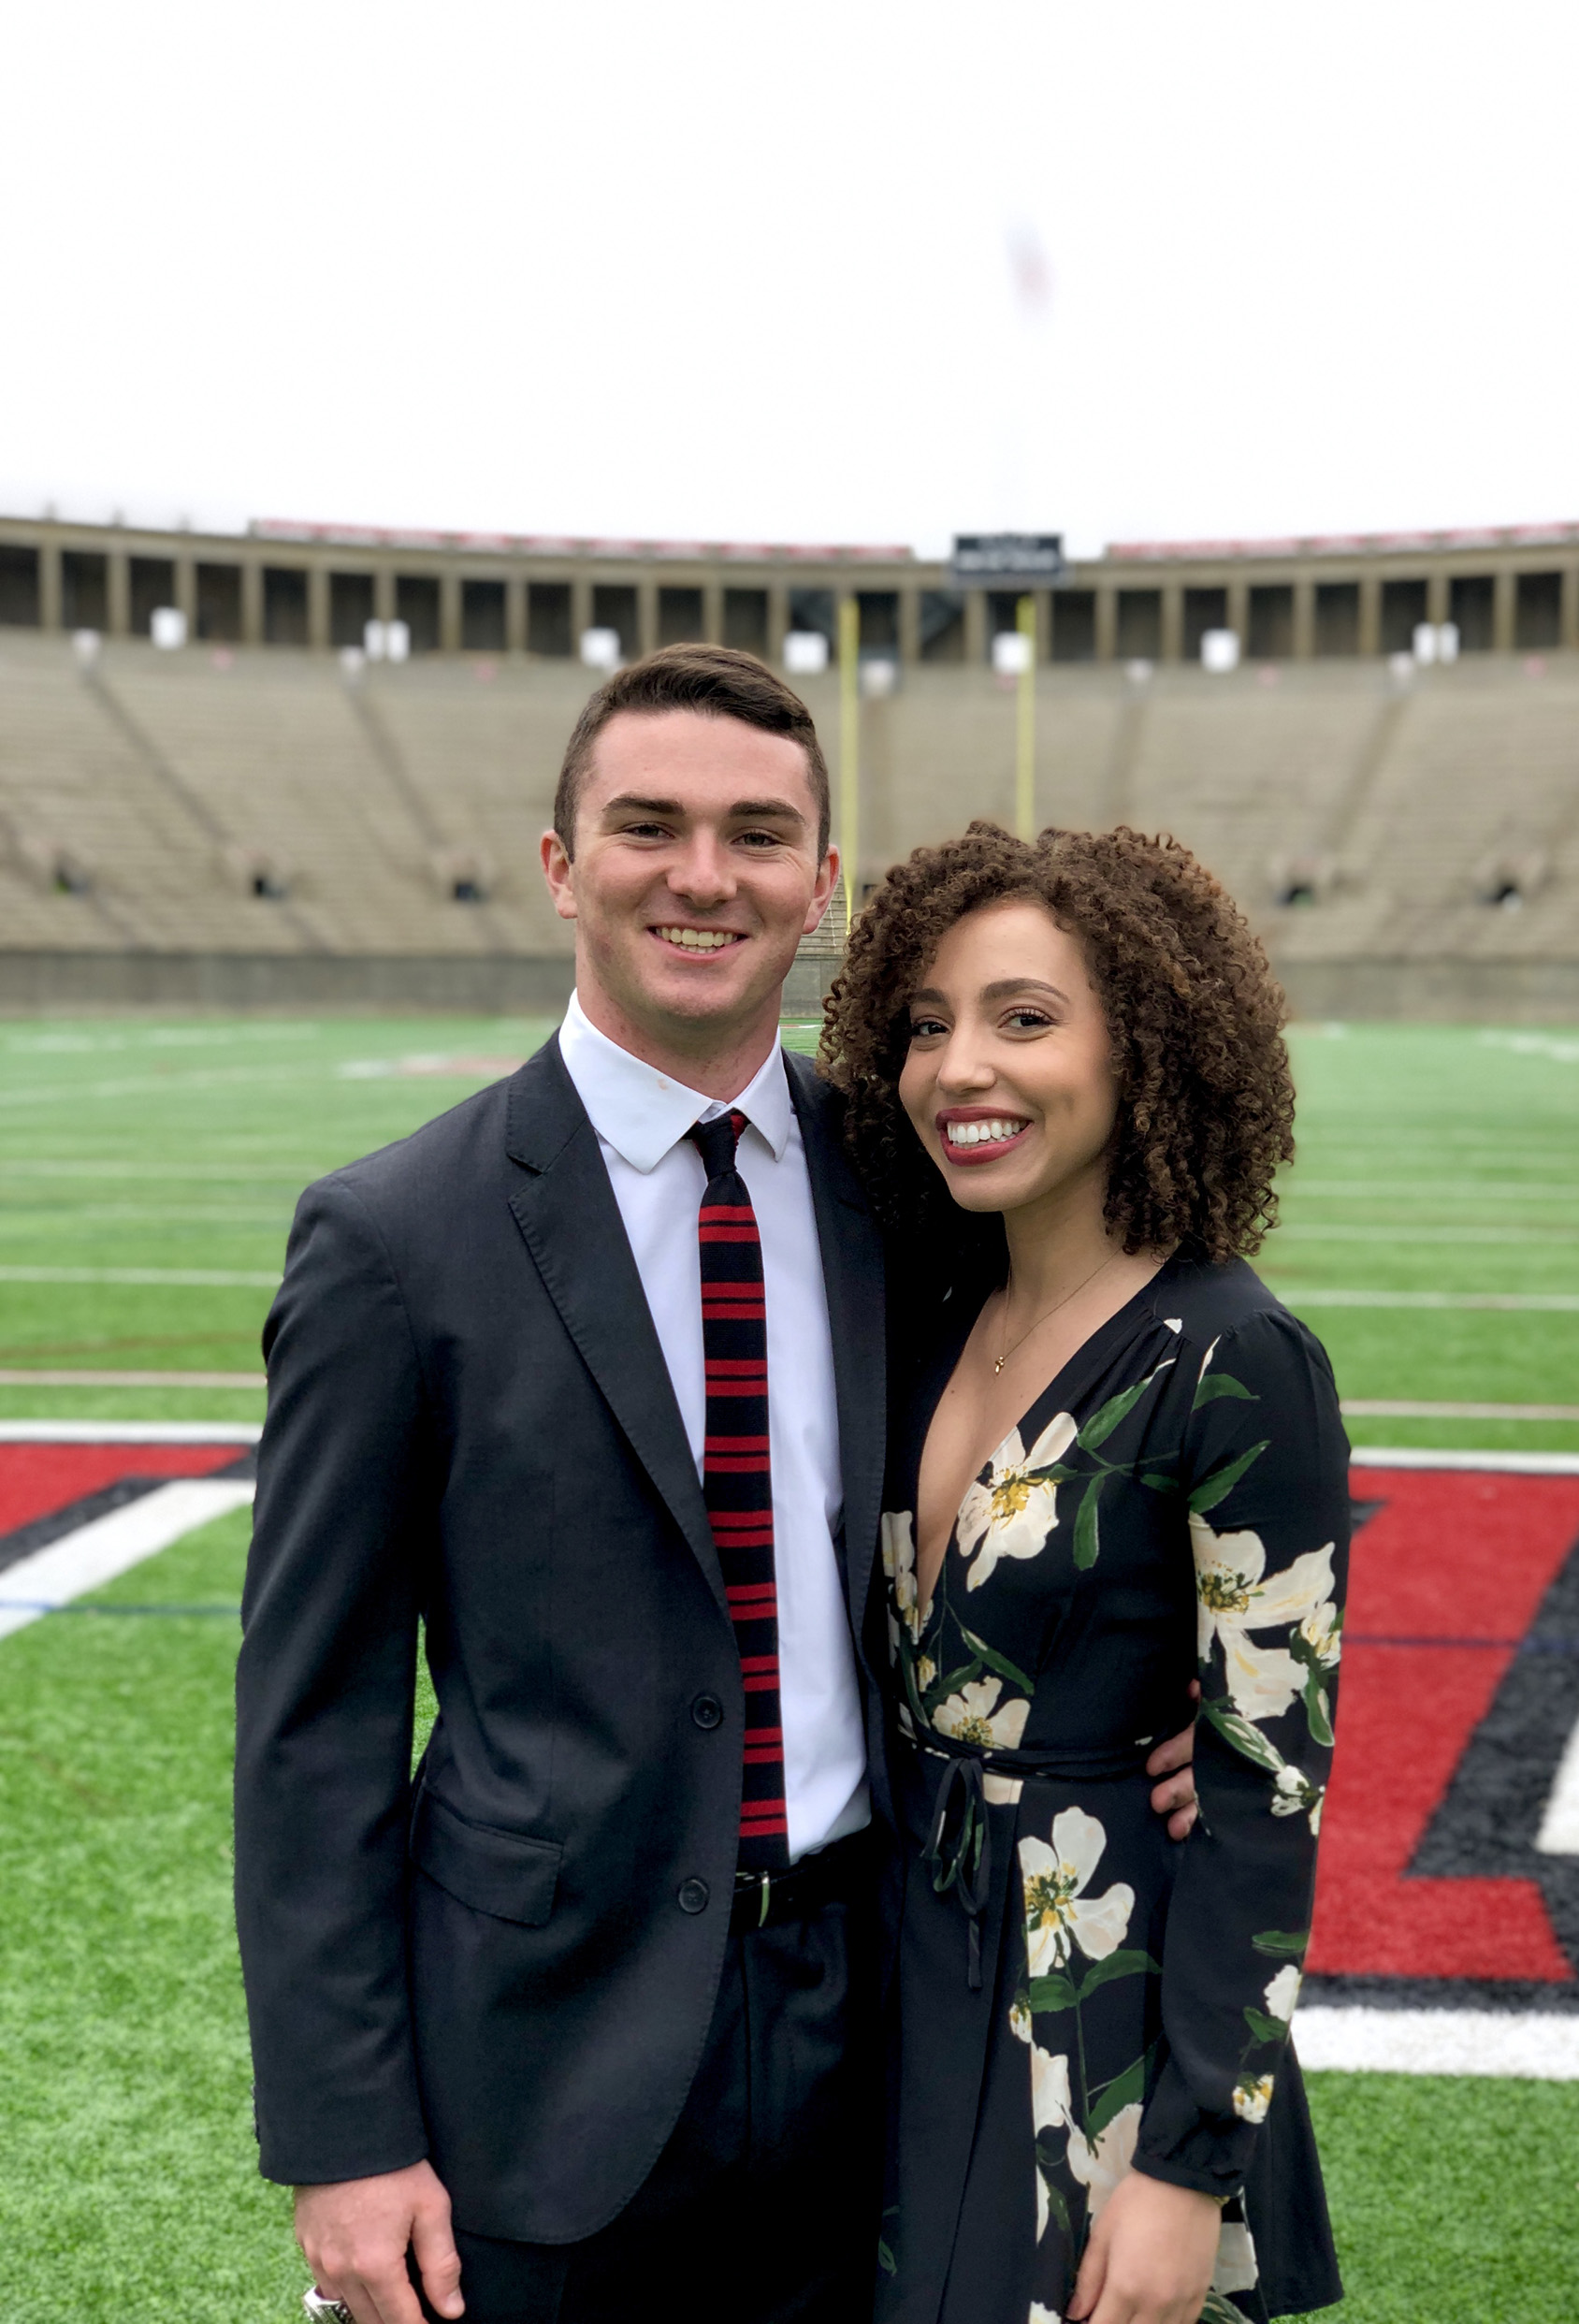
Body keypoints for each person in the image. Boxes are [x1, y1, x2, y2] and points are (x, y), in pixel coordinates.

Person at [234, 645, 1205, 2324]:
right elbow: (313, 1721)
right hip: (538, 2046)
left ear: (820, 885)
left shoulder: (911, 1184)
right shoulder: (394, 1237)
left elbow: (1063, 1448)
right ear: (562, 867)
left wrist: (1165, 1671)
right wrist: (342, 2134)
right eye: (648, 826)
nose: (704, 875)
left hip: (887, 2010)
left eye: (759, 834)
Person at [817, 821, 1349, 2324]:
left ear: (1152, 1051)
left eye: (1024, 1019)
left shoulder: (1236, 1360)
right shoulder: (921, 1312)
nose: (957, 1068)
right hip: (898, 1968)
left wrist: (1189, 2171)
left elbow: (1264, 1797)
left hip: (1096, 2000)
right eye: (926, 1025)